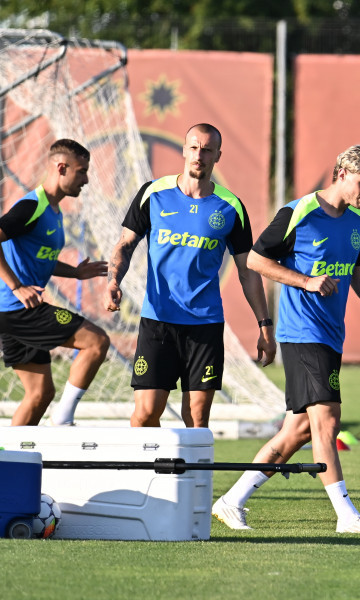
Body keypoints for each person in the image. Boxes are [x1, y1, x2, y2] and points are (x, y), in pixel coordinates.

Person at [212, 145, 360, 534]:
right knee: (327, 421)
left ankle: (231, 500)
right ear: (341, 172)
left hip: (331, 335)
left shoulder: (357, 220)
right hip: (302, 333)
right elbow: (255, 259)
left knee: (298, 431)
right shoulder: (298, 212)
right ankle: (347, 516)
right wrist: (306, 281)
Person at [104, 123, 276, 428]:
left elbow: (247, 272)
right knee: (145, 415)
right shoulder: (153, 193)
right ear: (184, 150)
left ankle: (192, 477)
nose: (200, 155)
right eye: (194, 147)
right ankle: (149, 474)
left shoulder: (231, 207)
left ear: (217, 156)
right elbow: (124, 245)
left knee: (196, 419)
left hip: (204, 325)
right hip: (158, 320)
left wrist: (264, 326)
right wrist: (113, 280)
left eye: (208, 149)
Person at [0, 139, 111, 426]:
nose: (86, 179)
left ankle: (10, 462)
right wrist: (16, 286)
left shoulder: (54, 210)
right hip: (17, 308)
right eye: (82, 171)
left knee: (39, 394)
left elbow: (41, 257)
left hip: (10, 311)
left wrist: (74, 272)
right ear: (61, 168)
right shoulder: (31, 206)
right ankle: (63, 420)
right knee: (97, 341)